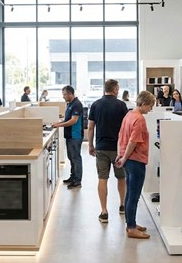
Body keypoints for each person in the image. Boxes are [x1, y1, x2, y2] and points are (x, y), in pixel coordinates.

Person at [115, 91, 155, 239]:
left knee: (130, 193)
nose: (150, 110)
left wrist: (120, 155)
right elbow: (133, 141)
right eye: (150, 106)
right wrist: (124, 158)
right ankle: (131, 228)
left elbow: (121, 136)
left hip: (128, 159)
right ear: (143, 104)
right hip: (135, 160)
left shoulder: (128, 115)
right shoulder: (139, 119)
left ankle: (130, 222)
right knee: (134, 195)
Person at [88, 79, 129, 223]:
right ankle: (122, 205)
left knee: (102, 178)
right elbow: (126, 128)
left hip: (101, 148)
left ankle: (104, 212)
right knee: (121, 177)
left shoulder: (95, 105)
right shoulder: (121, 105)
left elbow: (91, 127)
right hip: (118, 149)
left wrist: (90, 145)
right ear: (116, 89)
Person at [52, 85, 84, 189]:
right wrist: (59, 122)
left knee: (76, 158)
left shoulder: (77, 104)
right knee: (71, 157)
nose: (63, 97)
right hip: (70, 135)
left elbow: (73, 120)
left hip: (75, 135)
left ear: (70, 94)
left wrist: (59, 125)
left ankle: (77, 180)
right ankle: (73, 177)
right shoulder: (70, 104)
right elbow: (67, 119)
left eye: (65, 94)